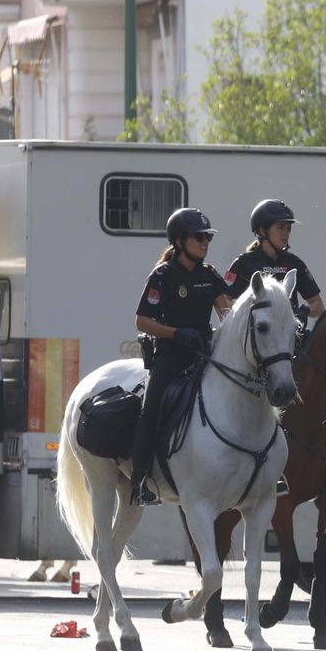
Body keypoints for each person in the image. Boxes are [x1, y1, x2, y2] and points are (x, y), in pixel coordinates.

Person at [129, 208, 232, 506]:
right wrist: (176, 333)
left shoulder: (209, 275)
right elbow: (142, 321)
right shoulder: (162, 275)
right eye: (198, 237)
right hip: (171, 357)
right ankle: (139, 481)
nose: (204, 243)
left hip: (204, 355)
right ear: (179, 241)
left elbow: (227, 312)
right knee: (150, 411)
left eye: (207, 238)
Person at [223, 199, 326, 327]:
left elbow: (318, 304)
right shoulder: (243, 263)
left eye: (288, 229)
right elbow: (224, 300)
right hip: (254, 337)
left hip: (288, 334)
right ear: (262, 231)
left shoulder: (295, 263)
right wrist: (245, 314)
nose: (286, 233)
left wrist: (303, 311)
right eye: (280, 228)